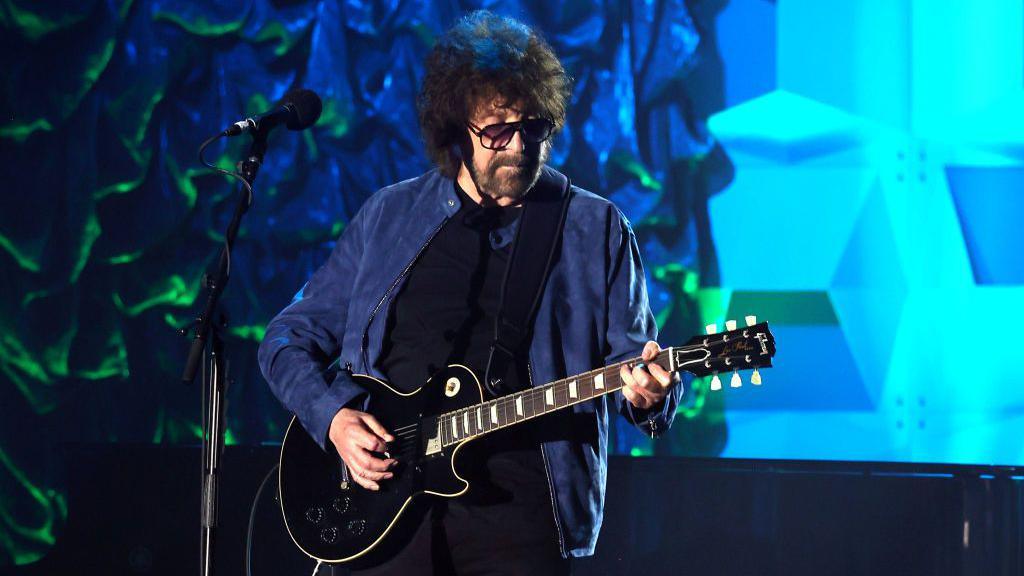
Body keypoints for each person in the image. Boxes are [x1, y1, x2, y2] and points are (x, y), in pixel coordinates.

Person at [258, 10, 686, 575]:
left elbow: (636, 366)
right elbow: (286, 339)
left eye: (533, 128)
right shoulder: (390, 215)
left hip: (520, 517)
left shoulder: (595, 228)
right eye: (497, 131)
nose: (518, 147)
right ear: (457, 130)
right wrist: (334, 417)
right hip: (381, 513)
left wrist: (651, 395)